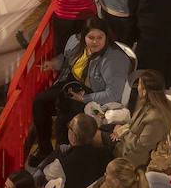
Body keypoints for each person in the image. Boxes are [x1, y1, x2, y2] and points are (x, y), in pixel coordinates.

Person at [32, 19, 130, 163]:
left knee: (64, 120)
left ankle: (63, 158)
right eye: (91, 37)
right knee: (39, 102)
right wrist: (54, 63)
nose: (95, 42)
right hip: (72, 82)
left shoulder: (114, 59)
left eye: (99, 38)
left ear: (106, 37)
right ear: (84, 37)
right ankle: (44, 149)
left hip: (92, 93)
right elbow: (67, 59)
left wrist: (85, 98)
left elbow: (113, 94)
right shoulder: (76, 43)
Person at [41, 113, 111, 188]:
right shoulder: (105, 155)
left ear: (73, 137)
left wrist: (57, 153)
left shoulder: (62, 163)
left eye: (70, 127)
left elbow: (44, 174)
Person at [109, 70, 171, 168]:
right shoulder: (146, 104)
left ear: (145, 90)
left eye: (139, 84)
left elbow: (140, 145)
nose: (137, 87)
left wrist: (122, 133)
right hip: (126, 143)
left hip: (133, 158)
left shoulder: (156, 119)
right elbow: (132, 124)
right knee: (102, 129)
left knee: (96, 138)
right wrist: (121, 129)